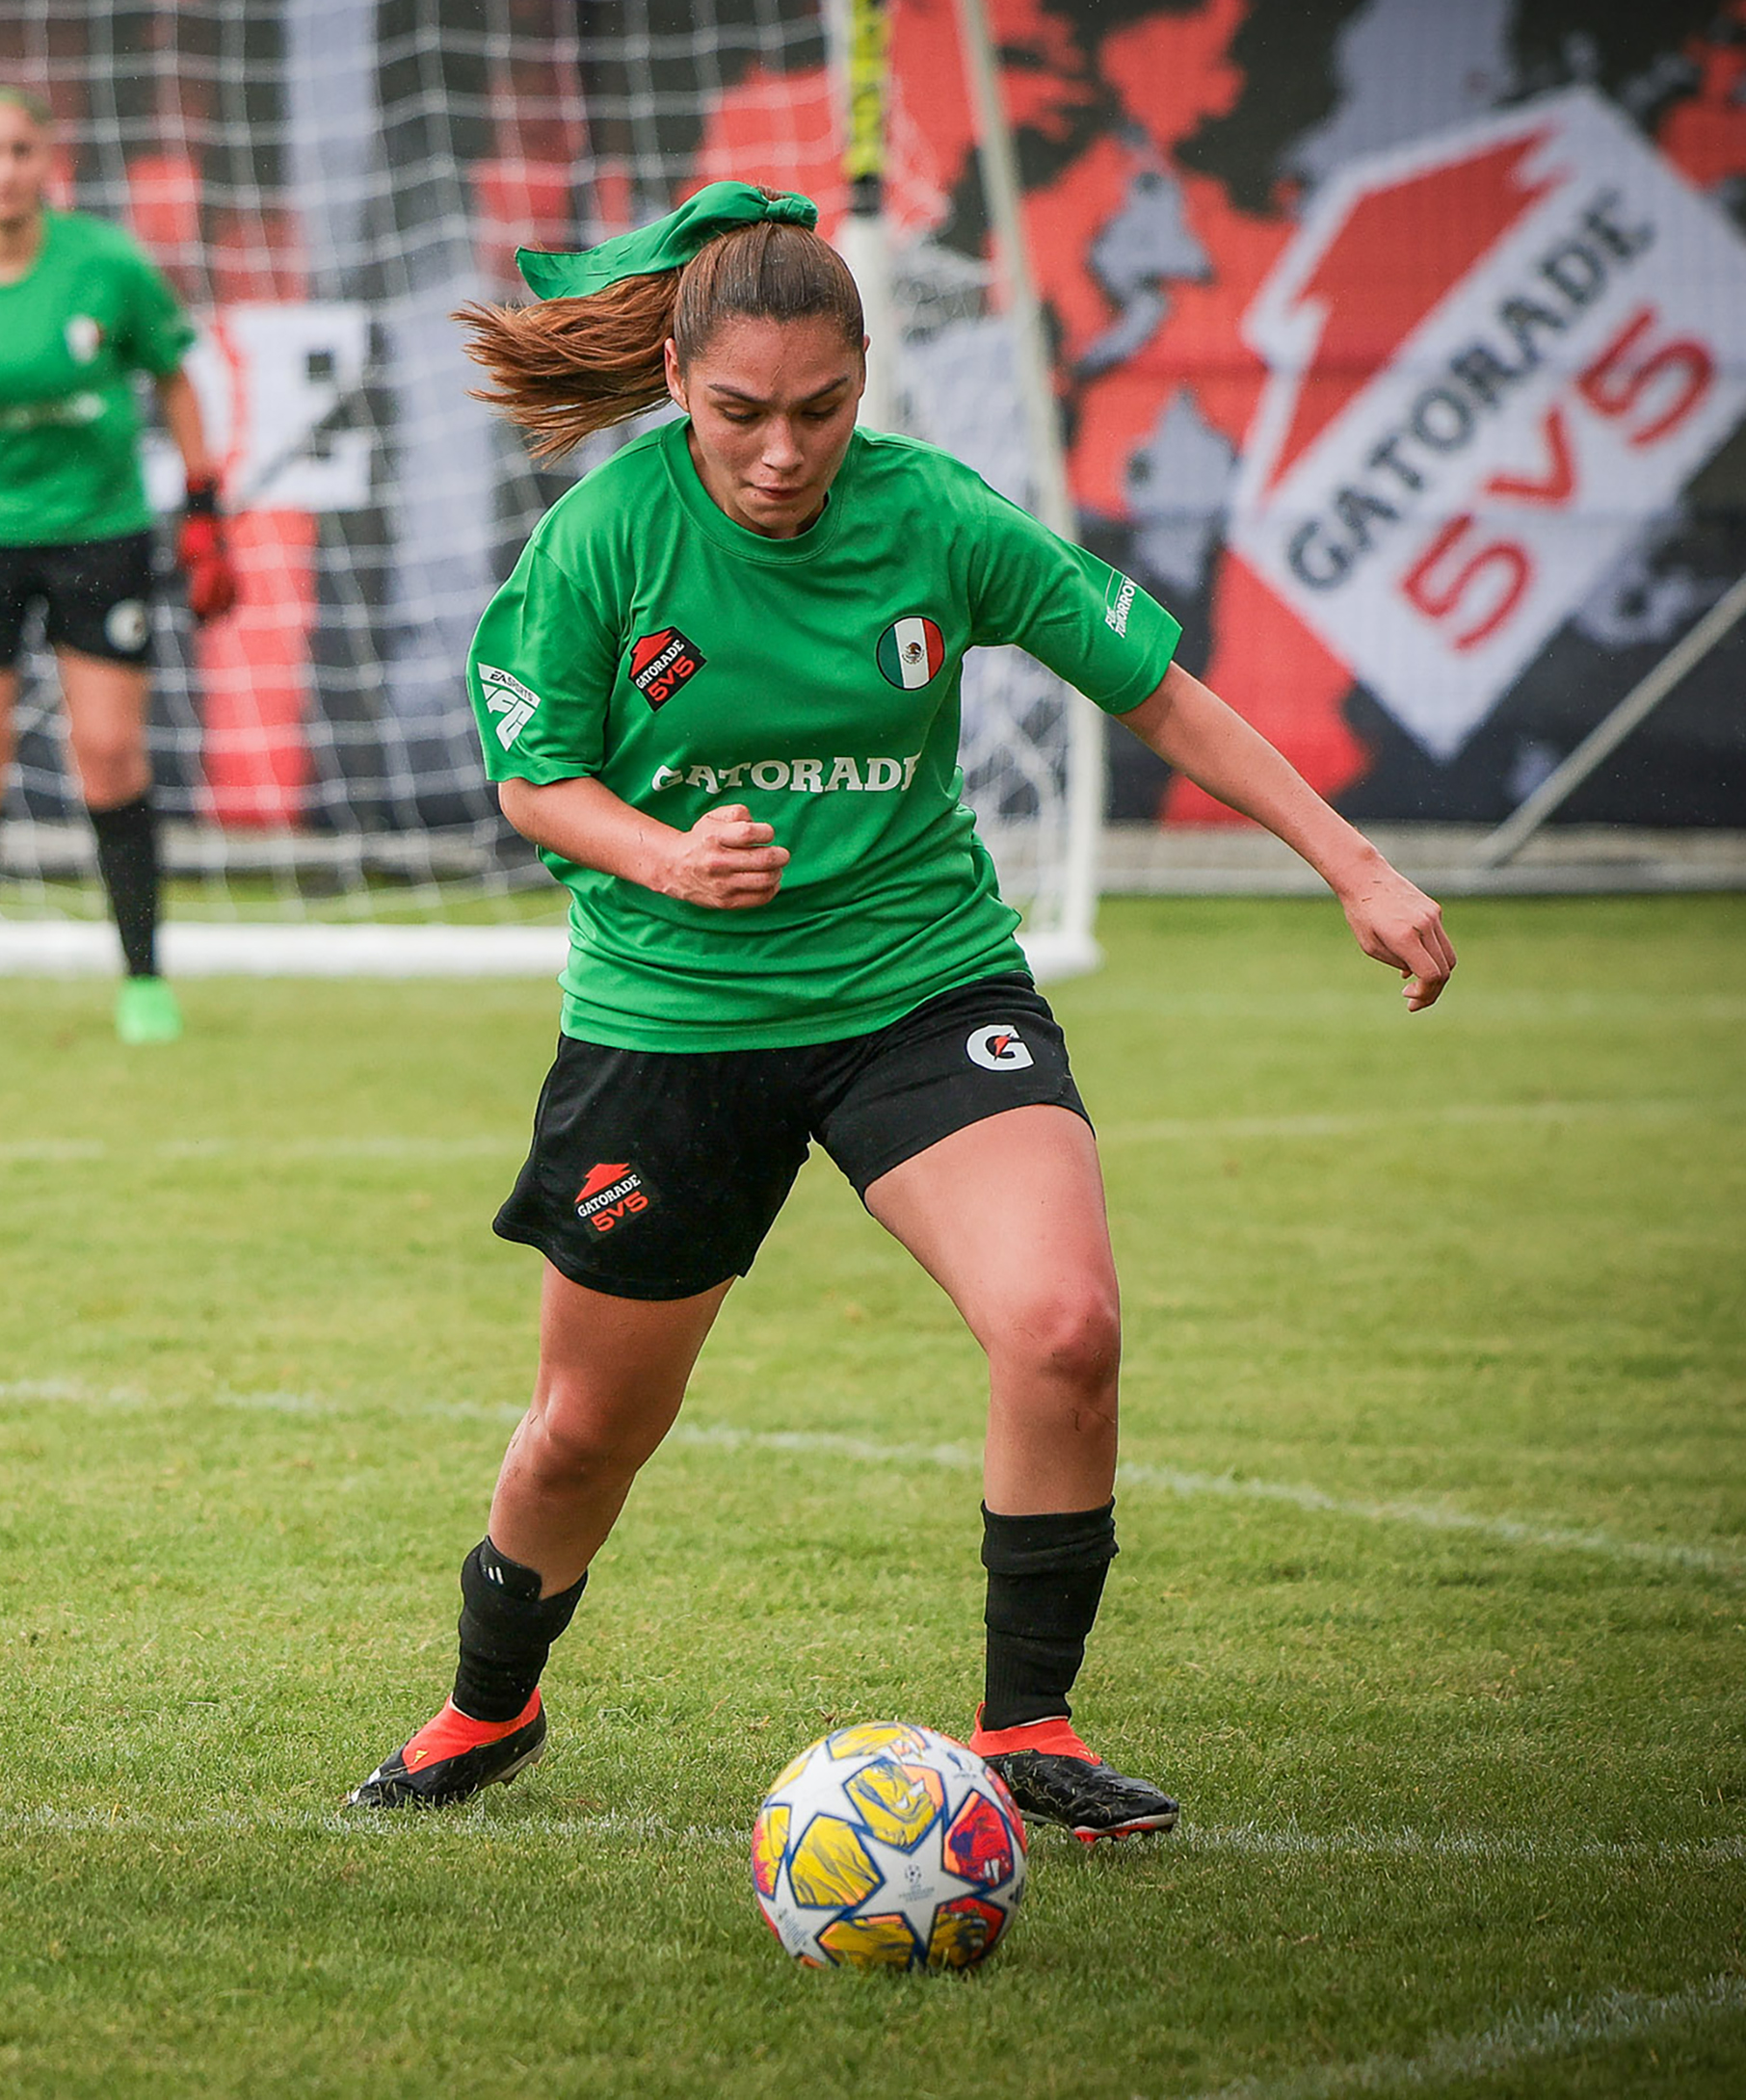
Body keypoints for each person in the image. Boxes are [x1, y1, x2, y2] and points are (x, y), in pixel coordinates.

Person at [347, 182, 1455, 1838]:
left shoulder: (935, 515)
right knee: (585, 1434)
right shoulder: (603, 538)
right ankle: (485, 1707)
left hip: (917, 986)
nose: (780, 453)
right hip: (672, 1018)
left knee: (1063, 1328)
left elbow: (1154, 689)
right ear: (671, 376)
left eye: (818, 411)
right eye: (738, 415)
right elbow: (534, 784)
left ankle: (1027, 1731)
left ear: (863, 385)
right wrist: (666, 854)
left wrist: (1355, 867)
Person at [0, 86, 236, 1044]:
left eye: (17, 148)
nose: (2, 169)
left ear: (48, 159)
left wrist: (205, 507)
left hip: (97, 532)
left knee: (106, 753)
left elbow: (175, 375)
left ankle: (143, 978)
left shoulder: (106, 264)